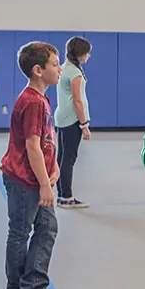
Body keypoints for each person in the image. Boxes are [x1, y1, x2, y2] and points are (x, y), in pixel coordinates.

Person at [1, 42, 67, 289]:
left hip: (36, 177)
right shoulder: (31, 102)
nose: (59, 68)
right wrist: (44, 185)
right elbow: (32, 145)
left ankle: (30, 286)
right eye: (54, 64)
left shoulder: (42, 100)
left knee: (47, 227)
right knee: (20, 231)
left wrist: (54, 168)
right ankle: (22, 288)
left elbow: (46, 142)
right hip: (24, 179)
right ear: (38, 70)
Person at [55, 36, 92, 209]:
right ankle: (67, 197)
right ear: (79, 54)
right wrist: (84, 125)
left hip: (62, 117)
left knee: (62, 157)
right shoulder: (75, 73)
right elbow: (77, 101)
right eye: (86, 52)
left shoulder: (64, 69)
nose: (88, 55)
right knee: (69, 158)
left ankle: (61, 194)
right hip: (72, 119)